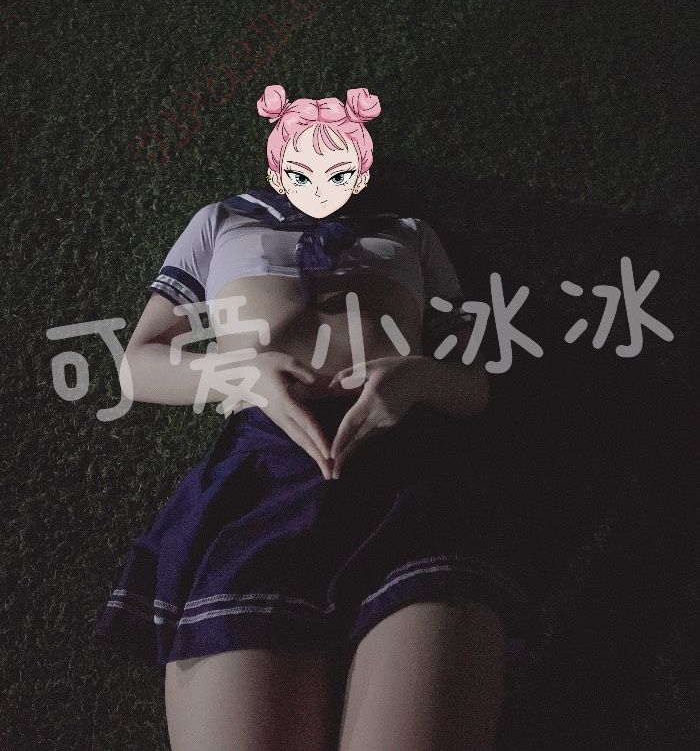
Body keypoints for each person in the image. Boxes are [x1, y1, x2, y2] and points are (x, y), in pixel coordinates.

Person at [94, 85, 531, 750]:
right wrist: (240, 375)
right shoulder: (221, 223)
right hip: (261, 477)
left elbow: (474, 383)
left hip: (408, 473)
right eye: (301, 169)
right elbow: (138, 364)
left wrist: (417, 377)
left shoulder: (411, 234)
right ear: (277, 168)